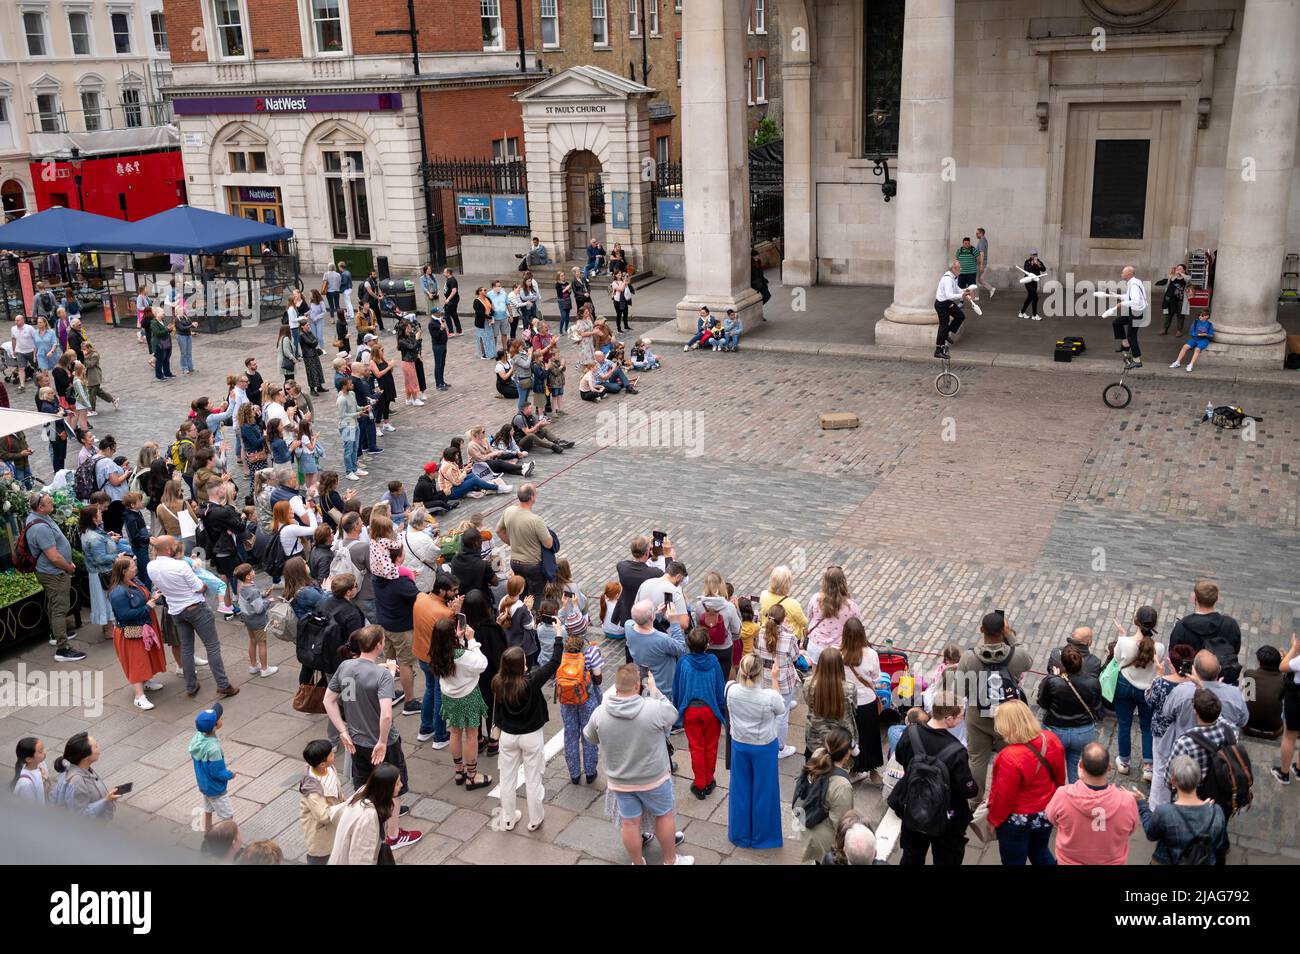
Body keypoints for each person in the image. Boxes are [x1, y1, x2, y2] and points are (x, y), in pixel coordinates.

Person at [584, 664, 694, 865]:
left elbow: (590, 737)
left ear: (616, 687)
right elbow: (673, 715)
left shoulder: (600, 713)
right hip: (654, 778)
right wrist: (655, 690)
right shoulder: (652, 708)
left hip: (621, 781)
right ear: (637, 686)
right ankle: (670, 860)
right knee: (664, 816)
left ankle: (638, 861)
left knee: (630, 823)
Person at [323, 625, 421, 849]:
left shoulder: (345, 666)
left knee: (363, 786)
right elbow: (386, 715)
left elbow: (329, 700)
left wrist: (343, 731)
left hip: (356, 740)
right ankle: (394, 835)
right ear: (379, 646)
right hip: (382, 742)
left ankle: (368, 825)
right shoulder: (381, 675)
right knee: (395, 786)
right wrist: (383, 742)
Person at [890, 692, 978, 865]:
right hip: (946, 815)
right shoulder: (956, 751)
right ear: (948, 718)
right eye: (960, 716)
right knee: (947, 858)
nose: (962, 719)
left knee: (911, 856)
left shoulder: (911, 732)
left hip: (914, 805)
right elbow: (967, 790)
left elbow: (900, 757)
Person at [956, 609, 1032, 799]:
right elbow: (1028, 660)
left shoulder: (969, 657)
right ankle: (1009, 797)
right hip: (1008, 718)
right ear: (1003, 630)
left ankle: (974, 801)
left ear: (981, 629)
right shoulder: (1016, 656)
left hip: (978, 717)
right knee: (1012, 759)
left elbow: (959, 691)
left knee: (976, 760)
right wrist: (1010, 636)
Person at [149, 535, 237, 699]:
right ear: (169, 550)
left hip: (176, 611)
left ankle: (191, 686)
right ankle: (223, 685)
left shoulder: (151, 566)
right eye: (174, 543)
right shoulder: (180, 566)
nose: (177, 545)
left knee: (187, 648)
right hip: (195, 609)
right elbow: (199, 587)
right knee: (212, 647)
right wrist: (204, 585)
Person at [493, 634, 564, 831]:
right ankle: (535, 819)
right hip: (531, 736)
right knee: (533, 779)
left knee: (507, 777)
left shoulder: (498, 682)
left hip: (507, 736)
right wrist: (558, 636)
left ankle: (507, 818)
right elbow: (554, 662)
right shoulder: (531, 681)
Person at [986, 700, 1065, 865]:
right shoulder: (1050, 739)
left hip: (1017, 820)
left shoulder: (1009, 756)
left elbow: (1003, 797)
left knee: (1013, 860)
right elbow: (1059, 776)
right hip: (1046, 812)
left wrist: (994, 820)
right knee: (1040, 851)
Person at [1044, 742, 1139, 865]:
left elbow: (1052, 819)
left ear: (1080, 765)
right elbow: (1130, 830)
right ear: (1109, 768)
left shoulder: (1063, 796)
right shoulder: (1127, 802)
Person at [428, 613, 492, 789]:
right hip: (467, 695)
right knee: (471, 735)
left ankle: (459, 771)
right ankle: (472, 776)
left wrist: (457, 638)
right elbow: (482, 664)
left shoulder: (435, 651)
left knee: (455, 733)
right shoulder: (461, 655)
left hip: (448, 695)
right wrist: (472, 641)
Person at [24, 491, 85, 662]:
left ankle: (56, 633)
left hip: (51, 571)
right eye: (49, 502)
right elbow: (53, 556)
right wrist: (68, 566)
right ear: (40, 507)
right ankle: (63, 649)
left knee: (54, 604)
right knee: (59, 608)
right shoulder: (40, 528)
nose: (53, 504)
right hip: (54, 573)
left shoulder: (38, 517)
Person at [1133, 755, 1227, 865]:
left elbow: (1151, 834)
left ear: (1173, 782)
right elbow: (1218, 845)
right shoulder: (1216, 812)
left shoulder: (1164, 812)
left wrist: (1142, 803)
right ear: (1198, 780)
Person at [106, 555, 167, 710]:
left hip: (143, 626)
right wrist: (148, 606)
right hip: (130, 631)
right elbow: (124, 616)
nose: (135, 568)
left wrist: (152, 598)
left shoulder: (134, 581)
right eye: (132, 566)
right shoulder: (118, 593)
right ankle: (139, 696)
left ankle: (145, 682)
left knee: (146, 656)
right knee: (136, 661)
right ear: (124, 571)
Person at [673, 627, 727, 798]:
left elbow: (677, 687)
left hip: (690, 710)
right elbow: (720, 689)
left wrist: (677, 708)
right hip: (711, 711)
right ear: (707, 645)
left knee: (696, 748)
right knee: (711, 747)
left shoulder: (684, 662)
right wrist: (722, 710)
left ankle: (700, 783)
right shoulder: (714, 662)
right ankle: (710, 779)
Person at [1112, 606, 1164, 781]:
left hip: (1125, 685)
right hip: (1146, 691)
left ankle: (1124, 762)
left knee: (1124, 724)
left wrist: (1122, 635)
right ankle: (1148, 767)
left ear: (1136, 621)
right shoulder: (1160, 648)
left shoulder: (1124, 642)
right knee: (1147, 726)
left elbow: (1117, 659)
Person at [1036, 646, 1101, 784]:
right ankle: (1074, 800)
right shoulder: (1093, 681)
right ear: (1081, 661)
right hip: (1083, 732)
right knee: (1076, 771)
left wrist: (1052, 677)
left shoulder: (1053, 681)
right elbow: (1096, 706)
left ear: (1062, 664)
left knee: (1051, 769)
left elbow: (1042, 702)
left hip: (1055, 731)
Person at [1145, 643, 1196, 806]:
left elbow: (1150, 700)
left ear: (1170, 663)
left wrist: (1157, 677)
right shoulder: (1195, 685)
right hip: (1187, 731)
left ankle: (1156, 804)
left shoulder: (1162, 683)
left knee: (1160, 768)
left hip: (1161, 731)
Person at [798, 727, 856, 864]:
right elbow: (841, 826)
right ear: (848, 754)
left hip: (807, 824)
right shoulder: (842, 786)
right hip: (824, 842)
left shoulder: (818, 754)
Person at [329, 763, 406, 864]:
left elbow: (336, 813)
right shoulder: (369, 817)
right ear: (386, 788)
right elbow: (361, 858)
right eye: (397, 783)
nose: (401, 785)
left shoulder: (364, 791)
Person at [1168, 580, 1242, 684]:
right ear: (1216, 599)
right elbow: (1235, 649)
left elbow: (1174, 653)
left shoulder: (1181, 628)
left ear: (1195, 599)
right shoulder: (1230, 624)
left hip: (1191, 680)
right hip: (1221, 679)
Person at [755, 602, 804, 758]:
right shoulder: (789, 638)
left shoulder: (761, 632)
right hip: (783, 679)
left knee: (768, 709)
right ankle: (780, 747)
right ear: (784, 619)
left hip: (765, 677)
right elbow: (796, 657)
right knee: (782, 716)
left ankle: (766, 738)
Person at [841, 618, 883, 782]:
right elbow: (877, 678)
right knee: (870, 736)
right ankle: (872, 769)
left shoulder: (839, 654)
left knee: (852, 736)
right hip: (867, 701)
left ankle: (854, 769)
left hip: (848, 702)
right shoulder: (871, 654)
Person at [495, 483, 553, 603]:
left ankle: (520, 614)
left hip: (515, 562)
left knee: (521, 593)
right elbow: (549, 544)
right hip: (532, 565)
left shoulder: (509, 511)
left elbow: (499, 530)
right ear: (532, 497)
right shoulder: (536, 520)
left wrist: (512, 543)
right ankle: (534, 618)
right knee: (536, 596)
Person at [297, 739, 345, 865]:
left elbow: (336, 788)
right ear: (322, 764)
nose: (333, 754)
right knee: (320, 859)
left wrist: (342, 798)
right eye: (331, 754)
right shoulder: (313, 791)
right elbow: (323, 816)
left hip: (334, 824)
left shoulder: (329, 769)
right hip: (320, 833)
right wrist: (344, 808)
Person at [50, 733, 120, 819]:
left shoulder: (80, 768)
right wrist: (105, 800)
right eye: (96, 746)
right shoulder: (77, 781)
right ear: (86, 757)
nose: (99, 748)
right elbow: (80, 817)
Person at [189, 702, 236, 830]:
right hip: (216, 789)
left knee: (208, 810)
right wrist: (230, 775)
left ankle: (207, 833)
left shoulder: (197, 738)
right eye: (219, 718)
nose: (221, 718)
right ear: (215, 726)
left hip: (204, 784)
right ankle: (227, 842)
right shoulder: (213, 749)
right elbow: (217, 772)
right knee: (228, 818)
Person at [804, 566, 859, 664]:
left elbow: (809, 618)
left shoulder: (815, 598)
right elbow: (857, 627)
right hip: (838, 650)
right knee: (836, 676)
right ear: (843, 583)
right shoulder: (851, 606)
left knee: (816, 675)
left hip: (816, 645)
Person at [691, 571, 740, 678]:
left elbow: (697, 627)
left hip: (706, 647)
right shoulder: (729, 607)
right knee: (722, 678)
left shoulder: (700, 606)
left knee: (707, 677)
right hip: (724, 648)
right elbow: (737, 630)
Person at [1271, 635, 1300, 784]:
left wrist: (1294, 648)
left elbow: (1283, 666)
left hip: (1296, 699)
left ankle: (1284, 773)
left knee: (1289, 736)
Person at [934, 260, 975, 358]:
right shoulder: (948, 279)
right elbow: (949, 295)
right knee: (943, 325)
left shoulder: (954, 277)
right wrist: (962, 295)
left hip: (948, 303)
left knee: (960, 316)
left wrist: (966, 290)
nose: (961, 270)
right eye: (959, 268)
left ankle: (946, 333)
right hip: (942, 304)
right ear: (953, 268)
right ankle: (938, 350)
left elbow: (957, 289)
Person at [1112, 264, 1147, 369]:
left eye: (1123, 272)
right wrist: (1117, 296)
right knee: (1117, 323)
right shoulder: (1134, 282)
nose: (1121, 273)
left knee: (1132, 336)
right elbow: (1129, 297)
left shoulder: (1134, 285)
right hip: (1135, 310)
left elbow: (1135, 300)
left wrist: (1121, 304)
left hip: (1138, 312)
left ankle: (1137, 361)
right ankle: (1125, 345)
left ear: (1128, 274)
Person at [12, 737, 49, 804]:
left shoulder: (40, 763)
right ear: (29, 759)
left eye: (44, 748)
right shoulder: (25, 784)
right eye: (41, 751)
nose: (45, 752)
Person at [1159, 263, 1188, 335]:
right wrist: (1172, 274)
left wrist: (1181, 274)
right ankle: (1165, 329)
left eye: (1180, 269)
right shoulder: (1173, 277)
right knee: (1168, 315)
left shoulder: (1186, 278)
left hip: (1181, 300)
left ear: (1184, 270)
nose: (1178, 270)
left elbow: (1188, 279)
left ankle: (1179, 331)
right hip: (1171, 299)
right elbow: (1169, 283)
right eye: (1178, 268)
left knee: (1180, 315)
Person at [9, 314, 36, 391]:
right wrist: (13, 350)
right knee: (21, 368)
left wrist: (35, 351)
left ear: (22, 320)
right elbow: (13, 339)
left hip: (31, 350)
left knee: (36, 367)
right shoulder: (13, 329)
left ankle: (39, 381)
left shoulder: (30, 328)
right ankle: (22, 385)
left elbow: (35, 339)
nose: (16, 322)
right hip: (20, 351)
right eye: (15, 320)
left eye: (18, 320)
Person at [1018, 250, 1045, 319]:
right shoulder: (1027, 262)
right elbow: (1027, 270)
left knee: (1030, 298)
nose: (1034, 256)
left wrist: (1038, 264)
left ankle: (1022, 312)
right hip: (1028, 281)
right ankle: (1035, 315)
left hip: (1034, 282)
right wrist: (1033, 264)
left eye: (1036, 254)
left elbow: (1043, 269)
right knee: (1035, 298)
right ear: (1030, 255)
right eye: (1033, 255)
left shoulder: (1038, 261)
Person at [974, 227, 995, 298]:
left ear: (981, 233)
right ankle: (991, 288)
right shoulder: (983, 240)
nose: (976, 235)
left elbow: (982, 253)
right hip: (980, 262)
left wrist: (981, 265)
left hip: (980, 263)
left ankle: (976, 296)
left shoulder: (982, 241)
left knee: (976, 279)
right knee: (979, 279)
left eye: (977, 233)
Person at [442, 268, 461, 335]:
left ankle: (451, 332)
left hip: (452, 301)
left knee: (447, 316)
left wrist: (448, 299)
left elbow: (454, 291)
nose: (443, 273)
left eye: (444, 272)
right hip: (451, 300)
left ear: (448, 273)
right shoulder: (449, 280)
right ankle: (459, 331)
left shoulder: (452, 280)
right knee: (454, 315)